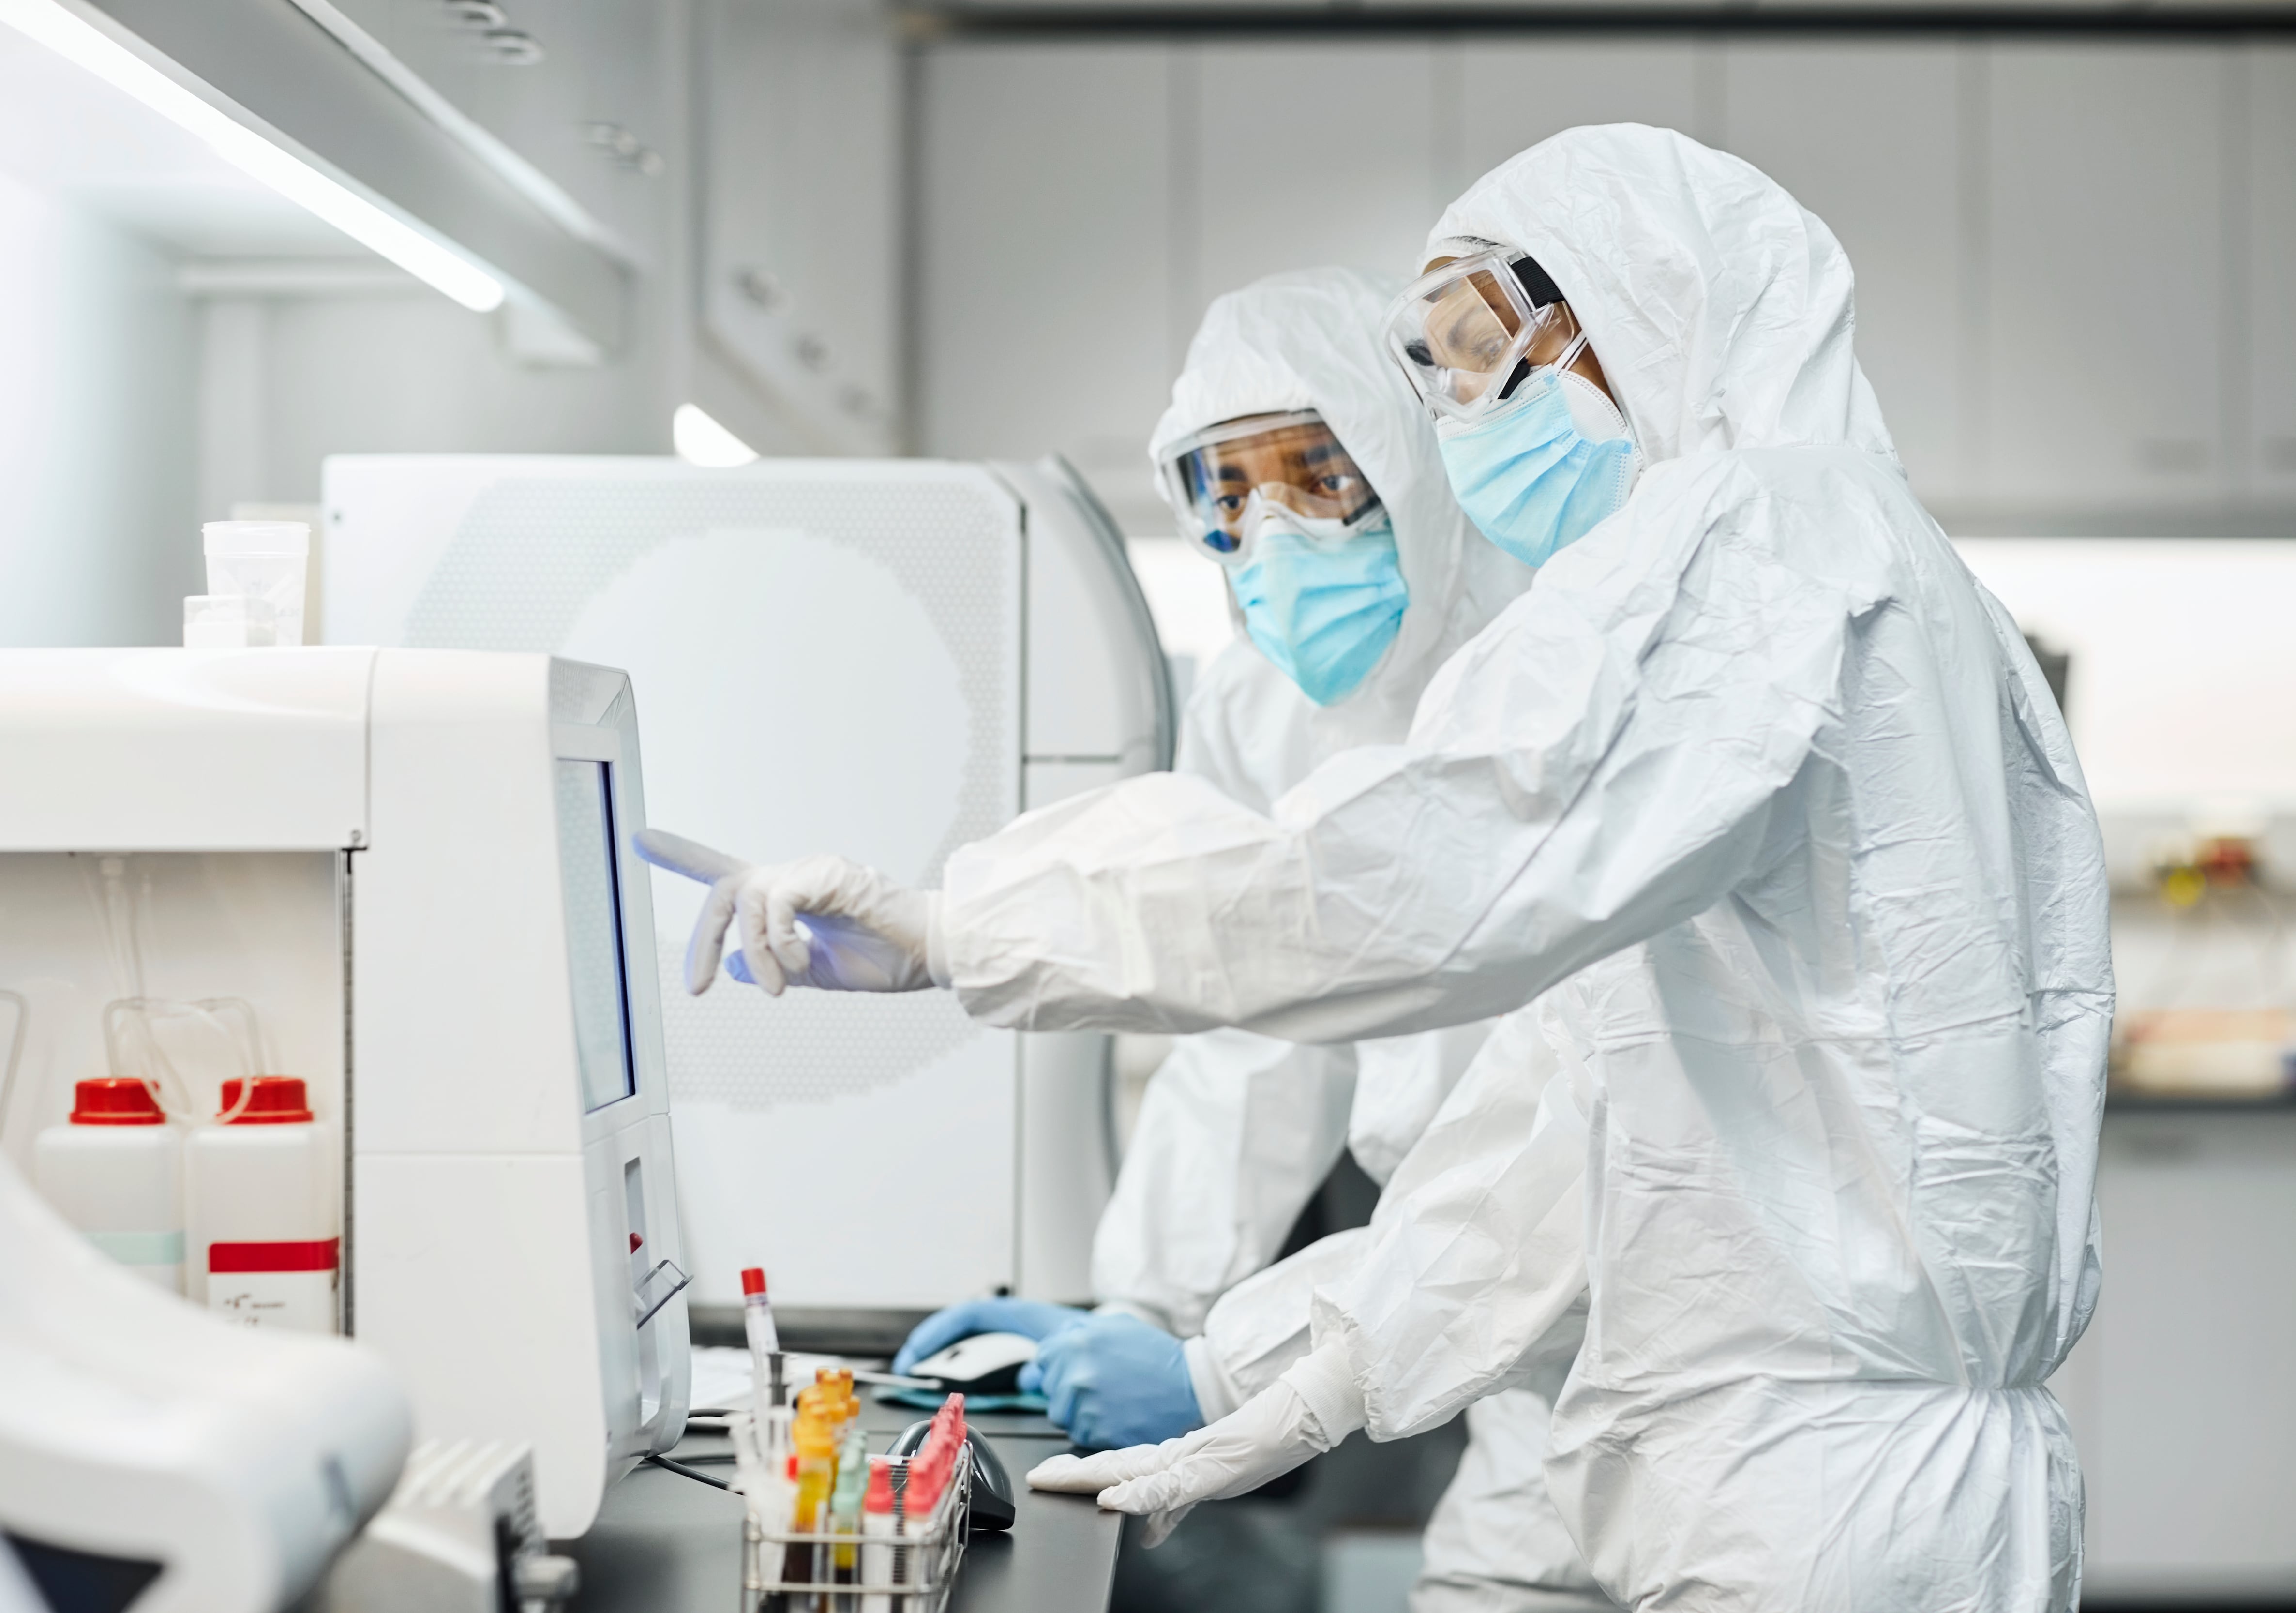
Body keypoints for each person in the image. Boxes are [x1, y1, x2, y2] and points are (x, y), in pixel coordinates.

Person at [649, 123, 2109, 1610]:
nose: (1458, 412)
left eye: (1481, 355)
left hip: (1814, 1482)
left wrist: (969, 927)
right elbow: (1583, 1113)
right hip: (1687, 1423)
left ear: (1654, 305)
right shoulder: (1789, 561)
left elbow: (1435, 870)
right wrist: (1290, 1370)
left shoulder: (1774, 546)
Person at [882, 267, 1610, 1610]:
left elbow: (1582, 1156)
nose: (1274, 535)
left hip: (1664, 1353)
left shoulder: (1553, 674)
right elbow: (1248, 1037)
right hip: (1518, 1378)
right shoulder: (1262, 704)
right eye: (1229, 494)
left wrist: (1227, 1370)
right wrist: (1148, 1307)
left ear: (1409, 456)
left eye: (1318, 477)